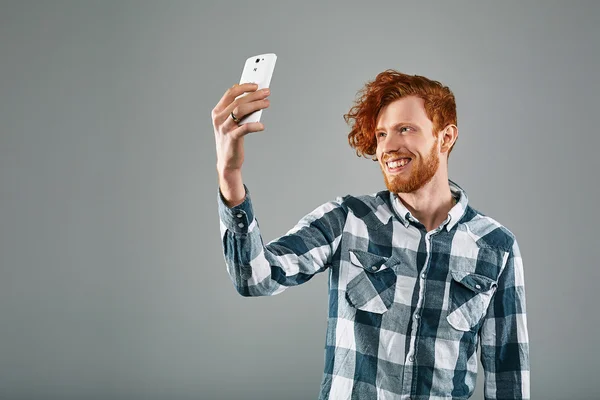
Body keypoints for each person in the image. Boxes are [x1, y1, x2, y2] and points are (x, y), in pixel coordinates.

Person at [212, 70, 530, 400]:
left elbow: (509, 378)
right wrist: (229, 174)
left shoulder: (496, 247)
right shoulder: (347, 219)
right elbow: (255, 278)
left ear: (445, 137)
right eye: (381, 135)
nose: (387, 148)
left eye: (404, 129)